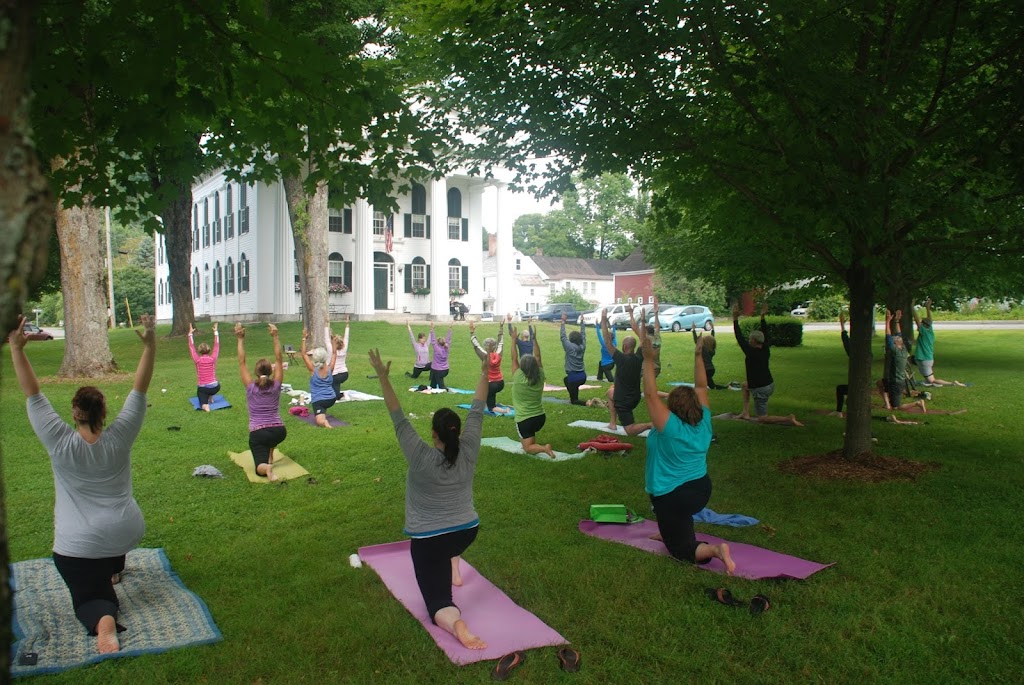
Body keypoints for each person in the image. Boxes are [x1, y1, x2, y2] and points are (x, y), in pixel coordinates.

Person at [8, 313, 157, 655]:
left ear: (75, 412)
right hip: (125, 533)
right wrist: (149, 344)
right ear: (104, 411)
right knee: (106, 554)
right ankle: (113, 568)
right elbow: (140, 386)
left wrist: (17, 349)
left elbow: (32, 393)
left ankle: (104, 623)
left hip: (80, 545)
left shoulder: (58, 440)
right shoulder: (120, 436)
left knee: (91, 596)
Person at [368, 344, 491, 650]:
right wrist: (485, 369)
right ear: (457, 431)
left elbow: (397, 415)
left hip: (430, 540)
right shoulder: (471, 444)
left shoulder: (420, 455)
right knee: (449, 542)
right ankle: (454, 566)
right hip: (467, 531)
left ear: (434, 434)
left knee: (437, 602)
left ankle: (456, 623)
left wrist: (383, 377)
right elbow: (478, 405)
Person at [637, 322, 735, 574]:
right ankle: (668, 528)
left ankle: (715, 551)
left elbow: (649, 395)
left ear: (674, 407)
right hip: (701, 489)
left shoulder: (670, 427)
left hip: (674, 496)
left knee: (681, 550)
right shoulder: (703, 421)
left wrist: (648, 359)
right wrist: (697, 354)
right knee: (675, 516)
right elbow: (701, 387)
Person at [732, 303, 802, 426]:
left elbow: (739, 337)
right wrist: (762, 317)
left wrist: (735, 319)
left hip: (761, 389)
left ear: (754, 341)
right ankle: (745, 413)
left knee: (762, 418)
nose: (748, 341)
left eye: (750, 339)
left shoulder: (751, 352)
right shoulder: (765, 348)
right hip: (769, 384)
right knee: (745, 386)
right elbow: (765, 333)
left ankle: (788, 419)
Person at [235, 322, 287, 480]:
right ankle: (270, 454)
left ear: (256, 373)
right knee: (270, 440)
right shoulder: (276, 385)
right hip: (279, 431)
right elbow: (279, 359)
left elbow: (242, 362)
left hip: (259, 433)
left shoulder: (251, 387)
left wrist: (240, 339)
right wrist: (275, 336)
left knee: (259, 468)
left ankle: (267, 468)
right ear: (271, 371)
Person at [599, 306, 652, 435]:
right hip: (635, 397)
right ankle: (613, 423)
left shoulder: (620, 358)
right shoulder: (639, 356)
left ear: (623, 347)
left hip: (623, 400)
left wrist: (603, 319)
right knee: (610, 392)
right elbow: (643, 338)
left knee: (630, 430)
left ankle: (651, 424)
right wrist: (642, 319)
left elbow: (607, 341)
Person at [509, 324, 557, 458]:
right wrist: (534, 339)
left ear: (522, 367)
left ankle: (544, 448)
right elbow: (538, 357)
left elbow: (514, 358)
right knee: (529, 437)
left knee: (527, 448)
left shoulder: (518, 377)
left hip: (525, 420)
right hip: (540, 418)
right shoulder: (540, 375)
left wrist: (513, 339)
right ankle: (530, 441)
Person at [884, 309, 927, 420]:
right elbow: (898, 334)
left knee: (896, 407)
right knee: (881, 384)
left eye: (895, 339)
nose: (895, 338)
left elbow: (888, 335)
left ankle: (917, 404)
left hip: (896, 381)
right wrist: (897, 321)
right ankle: (887, 402)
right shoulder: (903, 349)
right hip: (901, 381)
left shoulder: (895, 351)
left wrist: (888, 321)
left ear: (896, 343)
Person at [913, 298, 964, 386]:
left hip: (924, 359)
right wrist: (928, 308)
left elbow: (916, 319)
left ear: (924, 325)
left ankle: (952, 383)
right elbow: (929, 320)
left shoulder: (924, 332)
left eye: (922, 323)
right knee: (909, 361)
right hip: (926, 358)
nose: (920, 324)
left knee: (932, 380)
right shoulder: (930, 331)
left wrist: (912, 306)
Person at [301, 328, 340, 428]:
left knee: (319, 421)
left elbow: (304, 354)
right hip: (332, 398)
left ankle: (325, 423)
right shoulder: (330, 368)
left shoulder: (313, 370)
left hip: (319, 400)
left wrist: (304, 338)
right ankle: (323, 413)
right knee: (322, 409)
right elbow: (334, 354)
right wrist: (333, 343)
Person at [469, 318, 508, 413]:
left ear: (486, 347)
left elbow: (476, 345)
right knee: (490, 394)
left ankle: (503, 411)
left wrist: (472, 332)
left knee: (491, 405)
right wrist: (501, 328)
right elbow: (501, 343)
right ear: (494, 347)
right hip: (500, 383)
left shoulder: (485, 356)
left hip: (491, 384)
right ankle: (488, 403)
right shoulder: (498, 354)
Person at [188, 322, 220, 411]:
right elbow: (217, 346)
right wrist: (216, 332)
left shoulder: (197, 360)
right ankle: (210, 398)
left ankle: (206, 406)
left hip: (203, 389)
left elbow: (191, 347)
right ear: (208, 350)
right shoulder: (213, 358)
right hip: (215, 388)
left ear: (199, 351)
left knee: (202, 398)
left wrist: (190, 334)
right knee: (214, 383)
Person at [560, 312, 587, 405]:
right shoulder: (582, 346)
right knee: (565, 380)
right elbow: (583, 334)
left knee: (574, 401)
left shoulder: (570, 348)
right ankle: (574, 394)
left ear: (571, 339)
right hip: (583, 376)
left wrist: (563, 322)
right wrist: (582, 321)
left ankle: (586, 403)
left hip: (574, 377)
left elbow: (563, 337)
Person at [692, 324, 725, 390]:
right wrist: (713, 330)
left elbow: (696, 341)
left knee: (712, 386)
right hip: (710, 369)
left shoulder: (704, 349)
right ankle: (723, 387)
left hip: (706, 369)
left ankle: (726, 387)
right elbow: (712, 339)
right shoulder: (711, 350)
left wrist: (693, 330)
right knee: (707, 383)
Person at [325, 314, 350, 400]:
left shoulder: (330, 349)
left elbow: (326, 338)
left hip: (334, 375)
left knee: (333, 382)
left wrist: (327, 324)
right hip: (344, 374)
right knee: (335, 383)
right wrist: (347, 324)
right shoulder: (344, 349)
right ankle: (337, 394)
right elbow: (346, 338)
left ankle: (336, 395)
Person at [832, 311, 852, 416]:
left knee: (840, 389)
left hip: (856, 385)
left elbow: (846, 341)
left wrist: (842, 325)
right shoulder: (868, 355)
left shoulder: (854, 354)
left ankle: (839, 411)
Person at [428, 322, 453, 390]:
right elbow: (448, 339)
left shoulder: (436, 348)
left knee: (442, 387)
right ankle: (433, 386)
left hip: (438, 371)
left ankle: (444, 388)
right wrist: (450, 329)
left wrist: (432, 329)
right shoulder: (446, 347)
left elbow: (433, 340)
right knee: (432, 385)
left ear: (438, 343)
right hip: (445, 370)